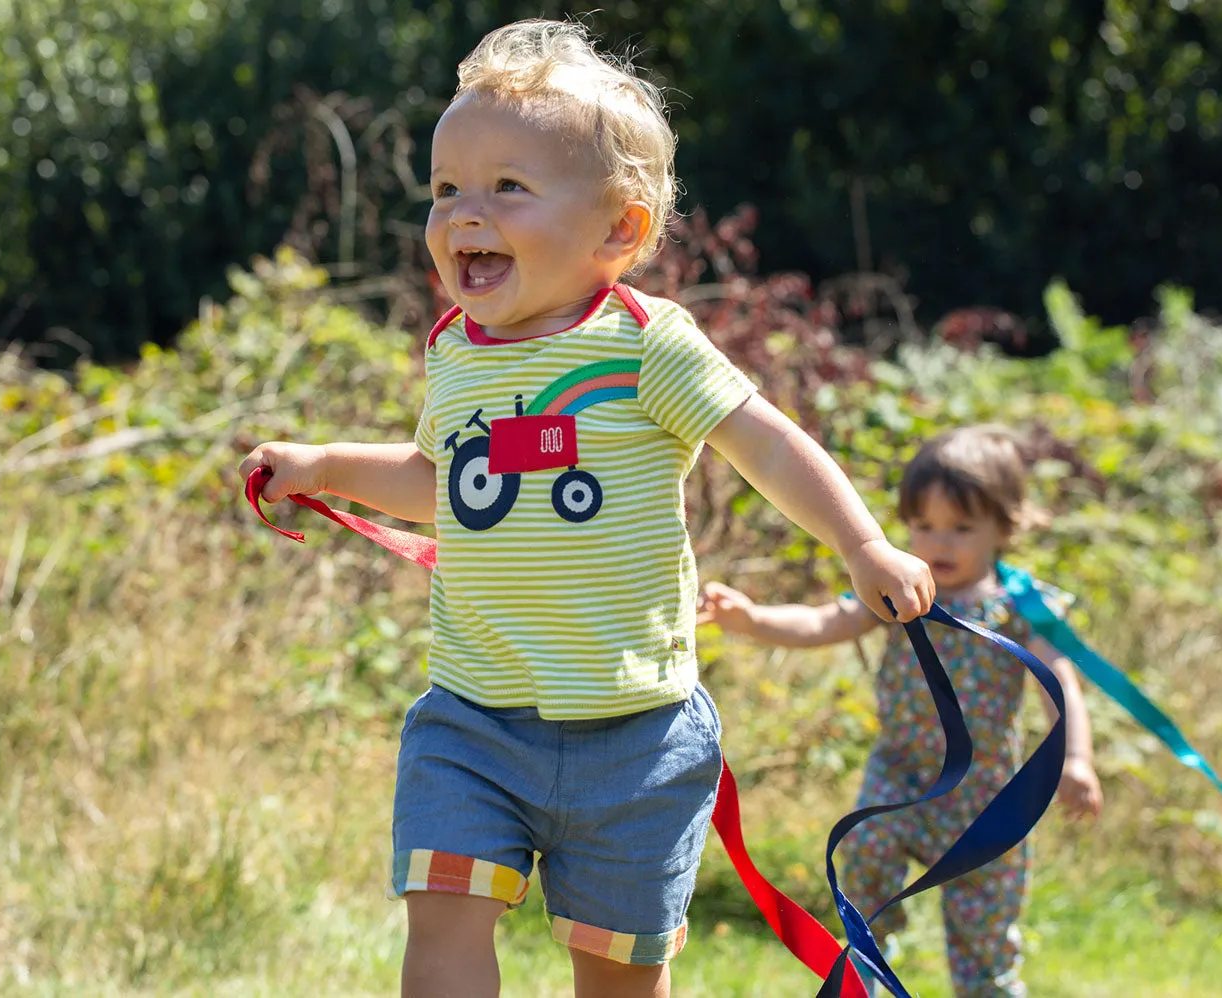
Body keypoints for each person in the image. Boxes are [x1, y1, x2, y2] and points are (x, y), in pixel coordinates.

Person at [239, 19, 934, 998]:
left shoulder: (648, 345)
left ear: (620, 229)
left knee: (616, 978)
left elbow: (766, 440)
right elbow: (442, 482)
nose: (462, 215)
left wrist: (862, 542)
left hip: (636, 736)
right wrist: (321, 466)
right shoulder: (457, 349)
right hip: (473, 718)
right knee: (440, 921)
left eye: (507, 188)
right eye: (446, 190)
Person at [700, 424, 1103, 998]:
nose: (939, 543)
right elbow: (823, 623)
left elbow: (1059, 680)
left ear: (1004, 526)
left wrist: (1077, 760)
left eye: (961, 528)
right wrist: (752, 619)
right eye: (924, 526)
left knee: (984, 936)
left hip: (987, 802)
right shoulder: (899, 592)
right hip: (899, 780)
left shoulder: (1019, 605)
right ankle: (861, 978)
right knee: (865, 860)